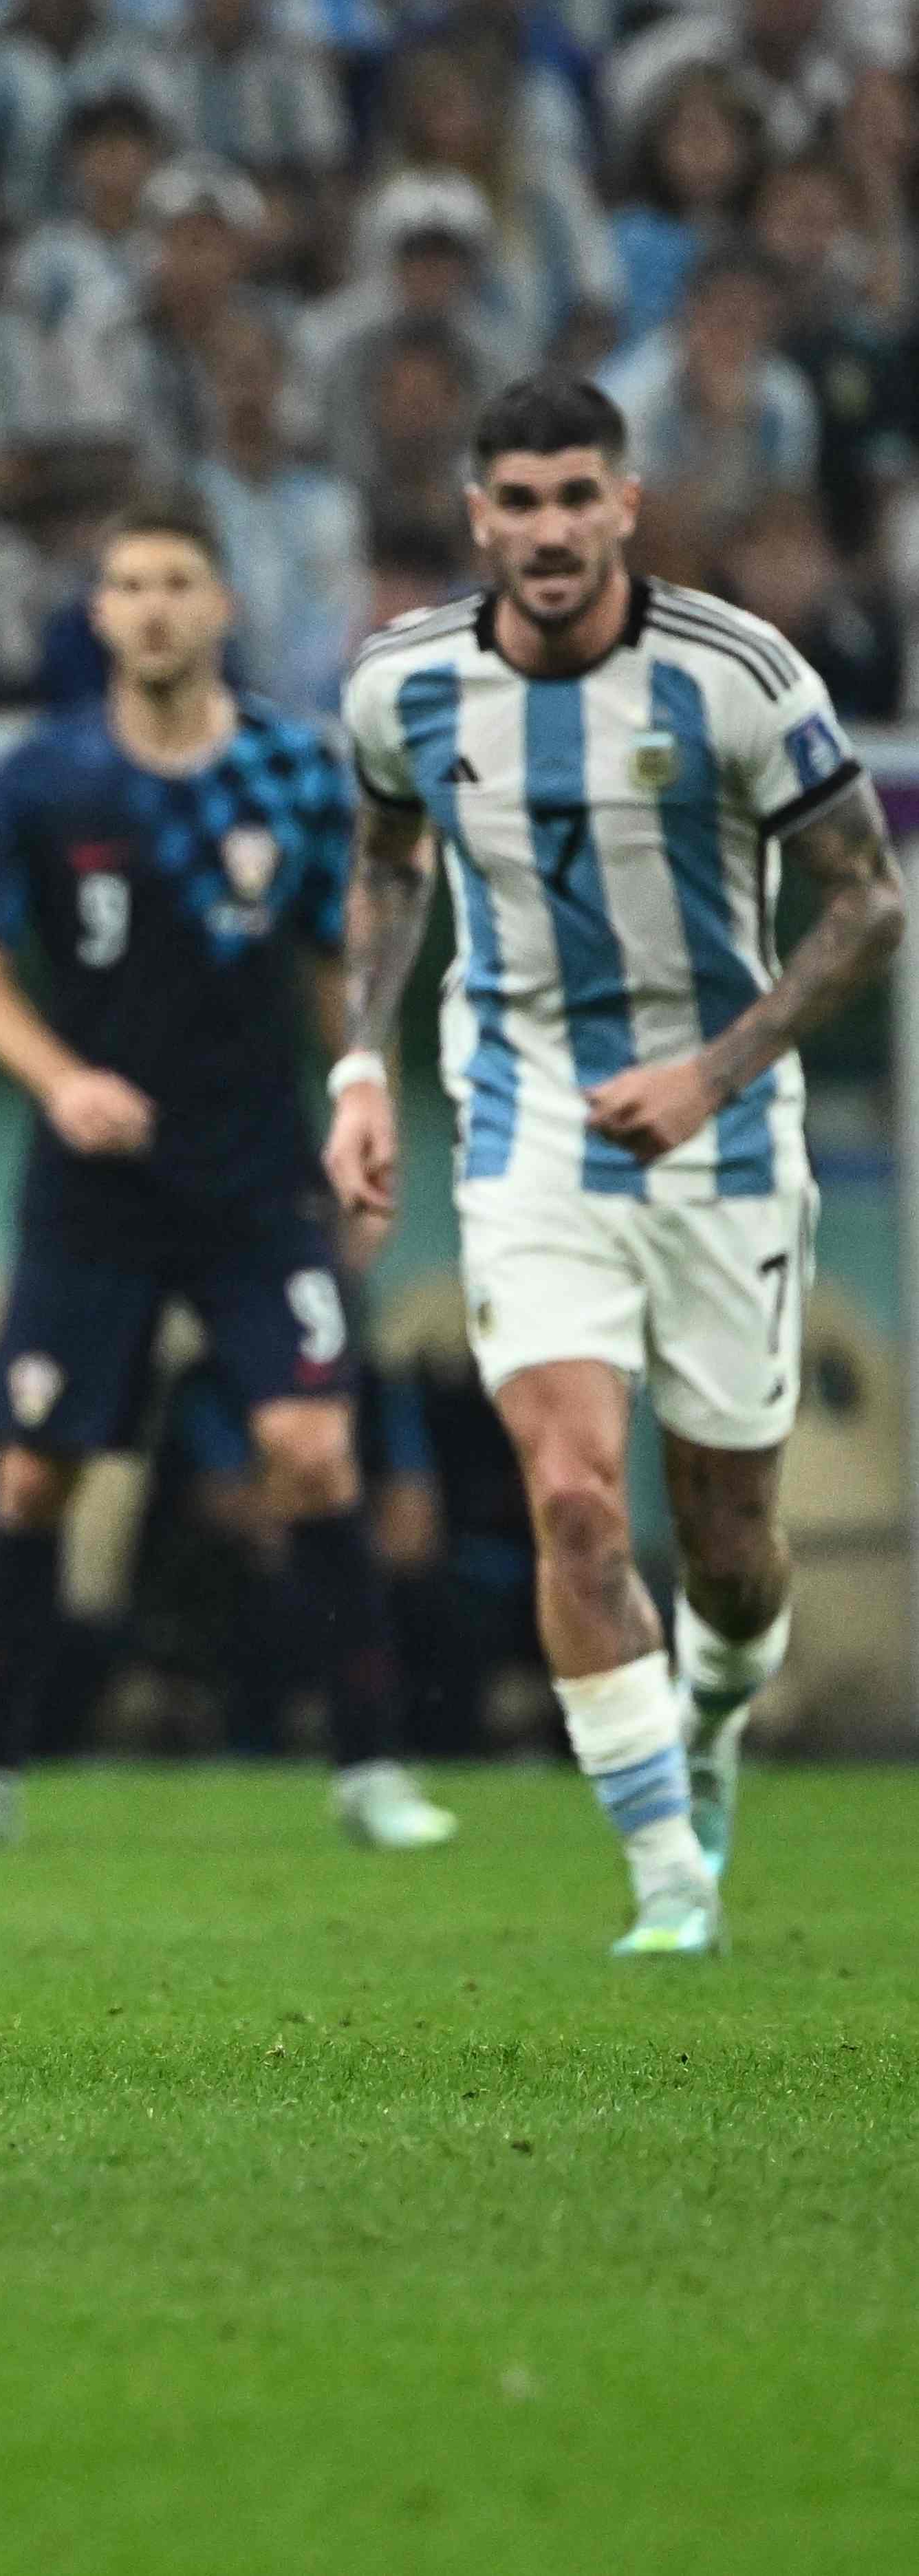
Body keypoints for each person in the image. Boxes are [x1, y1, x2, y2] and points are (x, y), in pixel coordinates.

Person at [333, 377, 905, 1956]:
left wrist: (711, 1069)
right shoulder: (399, 685)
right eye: (512, 502)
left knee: (725, 1546)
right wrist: (358, 1071)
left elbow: (865, 901)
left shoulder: (732, 674)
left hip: (719, 1144)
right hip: (523, 1132)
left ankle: (711, 1718)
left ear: (622, 506)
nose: (543, 531)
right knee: (574, 1502)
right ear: (474, 518)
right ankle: (664, 1876)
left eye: (571, 496)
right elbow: (383, 863)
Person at [0, 497, 449, 1857]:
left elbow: (342, 963)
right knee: (33, 1476)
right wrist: (57, 1079)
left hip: (254, 1181)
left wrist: (360, 1100)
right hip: (88, 1195)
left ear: (218, 608)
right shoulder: (42, 777)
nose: (150, 605)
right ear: (97, 613)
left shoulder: (290, 771)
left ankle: (369, 1770)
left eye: (175, 582)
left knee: (312, 1452)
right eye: (127, 583)